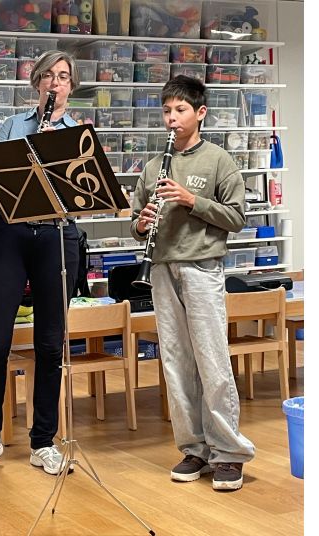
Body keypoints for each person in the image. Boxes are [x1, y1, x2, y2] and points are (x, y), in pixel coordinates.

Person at [0, 50, 82, 480]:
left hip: (56, 236)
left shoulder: (78, 133)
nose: (55, 82)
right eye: (48, 75)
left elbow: (84, 193)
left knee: (50, 344)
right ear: (37, 83)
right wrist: (29, 153)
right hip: (8, 233)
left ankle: (43, 441)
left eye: (63, 76)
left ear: (71, 85)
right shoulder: (12, 126)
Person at [129, 75, 255, 491]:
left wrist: (191, 200)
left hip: (202, 268)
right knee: (176, 363)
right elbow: (134, 223)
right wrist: (141, 222)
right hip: (162, 269)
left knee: (212, 360)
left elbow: (236, 217)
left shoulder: (218, 160)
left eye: (180, 110)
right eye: (166, 110)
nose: (172, 118)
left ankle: (229, 452)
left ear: (200, 113)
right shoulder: (152, 167)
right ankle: (194, 447)